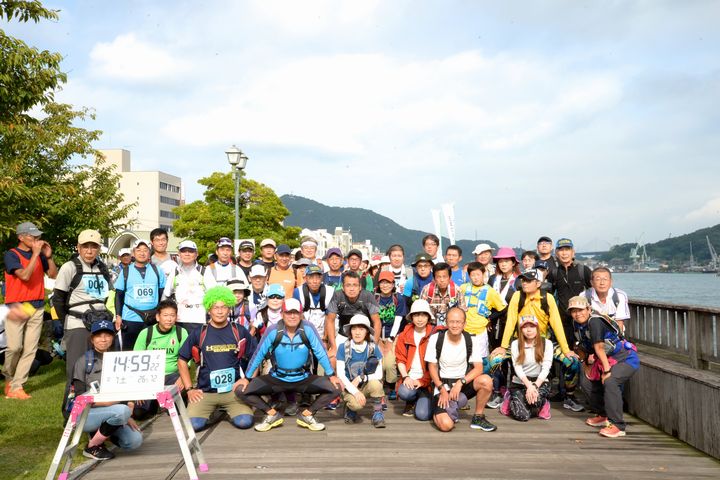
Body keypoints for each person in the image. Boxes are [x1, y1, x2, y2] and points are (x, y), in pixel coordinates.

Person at [235, 298, 343, 432]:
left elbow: (320, 352)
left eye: (296, 313)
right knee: (240, 389)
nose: (292, 316)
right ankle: (271, 414)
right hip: (277, 378)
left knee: (336, 387)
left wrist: (331, 375)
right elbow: (258, 354)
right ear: (282, 314)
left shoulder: (308, 328)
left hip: (302, 378)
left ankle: (308, 415)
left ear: (301, 314)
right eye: (288, 313)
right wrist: (247, 378)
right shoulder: (273, 330)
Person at [491, 269, 582, 412]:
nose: (524, 283)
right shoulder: (517, 296)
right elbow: (510, 321)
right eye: (523, 280)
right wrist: (503, 346)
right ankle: (498, 393)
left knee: (573, 362)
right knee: (494, 360)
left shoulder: (548, 298)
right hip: (519, 341)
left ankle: (569, 396)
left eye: (528, 281)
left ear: (538, 283)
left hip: (543, 342)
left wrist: (566, 350)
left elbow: (556, 324)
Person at [177, 286, 257, 432]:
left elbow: (255, 356)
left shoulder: (238, 330)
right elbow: (182, 359)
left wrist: (247, 379)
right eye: (215, 307)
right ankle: (212, 411)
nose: (220, 311)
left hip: (233, 391)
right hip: (205, 392)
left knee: (245, 422)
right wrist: (189, 389)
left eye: (224, 307)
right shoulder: (199, 332)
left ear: (229, 309)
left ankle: (229, 411)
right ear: (209, 310)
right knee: (193, 426)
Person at [53, 229, 113, 398]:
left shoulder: (103, 268)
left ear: (99, 249)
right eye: (85, 246)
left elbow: (108, 295)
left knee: (102, 368)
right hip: (77, 324)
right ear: (78, 247)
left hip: (100, 324)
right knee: (76, 370)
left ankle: (100, 412)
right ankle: (71, 414)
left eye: (93, 247)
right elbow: (58, 299)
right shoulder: (69, 267)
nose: (89, 251)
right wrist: (66, 322)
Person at [568, 295, 639, 438]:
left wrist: (607, 371)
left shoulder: (594, 321)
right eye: (574, 311)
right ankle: (602, 414)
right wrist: (585, 364)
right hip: (604, 359)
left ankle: (618, 425)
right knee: (586, 381)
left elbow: (599, 347)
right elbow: (580, 346)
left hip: (625, 357)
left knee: (611, 381)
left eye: (581, 310)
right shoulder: (577, 324)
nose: (578, 314)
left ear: (588, 309)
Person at [72, 319, 143, 460]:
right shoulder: (83, 361)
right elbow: (79, 397)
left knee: (134, 441)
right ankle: (92, 446)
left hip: (113, 411)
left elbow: (126, 388)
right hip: (87, 414)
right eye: (99, 335)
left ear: (113, 337)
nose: (103, 339)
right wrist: (108, 405)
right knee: (121, 411)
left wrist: (127, 412)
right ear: (92, 339)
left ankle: (104, 433)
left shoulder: (119, 360)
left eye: (108, 335)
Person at [3, 221, 58, 399]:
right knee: (14, 347)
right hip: (18, 305)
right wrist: (36, 254)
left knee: (30, 348)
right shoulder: (11, 255)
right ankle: (10, 377)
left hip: (37, 305)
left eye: (37, 236)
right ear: (21, 237)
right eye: (32, 236)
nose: (36, 239)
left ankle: (18, 386)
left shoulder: (40, 255)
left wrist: (48, 257)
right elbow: (25, 276)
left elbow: (52, 275)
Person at [425, 307, 496, 432]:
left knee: (486, 380)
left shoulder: (471, 340)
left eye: (458, 322)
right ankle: (439, 409)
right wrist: (442, 390)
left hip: (462, 383)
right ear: (446, 323)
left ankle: (478, 417)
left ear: (464, 324)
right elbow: (432, 367)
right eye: (451, 321)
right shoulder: (436, 339)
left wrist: (460, 382)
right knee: (446, 426)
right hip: (442, 384)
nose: (455, 325)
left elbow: (479, 368)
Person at [114, 239, 166, 350]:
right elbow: (119, 295)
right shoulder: (125, 271)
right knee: (129, 351)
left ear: (149, 253)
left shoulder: (157, 270)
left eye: (145, 250)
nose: (142, 253)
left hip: (151, 318)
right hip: (131, 318)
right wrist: (118, 315)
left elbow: (162, 294)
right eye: (138, 250)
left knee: (152, 350)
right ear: (133, 253)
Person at [337, 315, 386, 428]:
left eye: (361, 329)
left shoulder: (373, 347)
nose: (357, 332)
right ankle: (350, 408)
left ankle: (378, 412)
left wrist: (360, 378)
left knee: (376, 384)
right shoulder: (343, 347)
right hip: (349, 386)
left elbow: (379, 374)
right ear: (350, 331)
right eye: (354, 329)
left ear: (367, 332)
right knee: (356, 405)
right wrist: (355, 392)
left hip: (365, 384)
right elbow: (340, 374)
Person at [545, 238, 592, 351]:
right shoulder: (554, 273)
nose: (564, 253)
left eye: (567, 249)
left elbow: (593, 293)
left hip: (581, 319)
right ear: (556, 253)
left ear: (573, 252)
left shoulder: (583, 270)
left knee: (584, 350)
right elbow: (547, 296)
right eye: (561, 250)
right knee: (565, 352)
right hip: (562, 320)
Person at [324, 271, 382, 362]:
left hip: (364, 335)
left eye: (355, 285)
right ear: (343, 287)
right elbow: (330, 320)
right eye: (348, 285)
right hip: (343, 334)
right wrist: (333, 347)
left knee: (374, 360)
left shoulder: (367, 296)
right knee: (330, 360)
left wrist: (374, 345)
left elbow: (377, 322)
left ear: (360, 287)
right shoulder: (337, 295)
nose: (352, 289)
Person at [506, 315, 553, 421]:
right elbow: (517, 367)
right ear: (520, 330)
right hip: (521, 382)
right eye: (524, 327)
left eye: (532, 326)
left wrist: (534, 386)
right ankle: (510, 399)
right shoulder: (515, 344)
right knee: (522, 416)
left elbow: (546, 367)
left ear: (537, 327)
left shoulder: (547, 343)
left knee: (534, 401)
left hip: (539, 381)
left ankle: (543, 403)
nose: (528, 330)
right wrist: (529, 386)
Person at [395, 300, 435, 421]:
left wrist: (423, 381)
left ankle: (424, 398)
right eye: (416, 315)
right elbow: (400, 359)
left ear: (428, 317)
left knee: (423, 415)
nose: (420, 319)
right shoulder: (403, 335)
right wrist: (406, 376)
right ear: (411, 317)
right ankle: (411, 401)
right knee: (404, 392)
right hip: (410, 378)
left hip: (428, 380)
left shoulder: (435, 334)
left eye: (423, 315)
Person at [458, 262, 506, 355]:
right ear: (469, 276)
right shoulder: (463, 288)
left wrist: (490, 317)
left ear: (483, 274)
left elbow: (503, 308)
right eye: (472, 275)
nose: (475, 278)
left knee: (480, 359)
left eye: (478, 274)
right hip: (463, 331)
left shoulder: (490, 291)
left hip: (480, 332)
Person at [162, 240, 206, 337]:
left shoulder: (204, 271)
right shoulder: (175, 272)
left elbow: (213, 295)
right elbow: (166, 295)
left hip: (199, 318)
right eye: (183, 251)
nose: (187, 254)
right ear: (179, 254)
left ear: (196, 254)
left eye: (190, 251)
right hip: (179, 319)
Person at [487, 247, 520, 350]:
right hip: (493, 324)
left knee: (512, 355)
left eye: (506, 261)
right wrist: (487, 319)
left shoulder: (519, 280)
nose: (503, 264)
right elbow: (487, 300)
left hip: (512, 324)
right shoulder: (493, 279)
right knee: (495, 355)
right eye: (500, 261)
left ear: (513, 263)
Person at [583, 267, 630, 332]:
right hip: (592, 332)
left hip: (613, 332)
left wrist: (619, 338)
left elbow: (619, 321)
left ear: (611, 282)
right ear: (592, 283)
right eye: (598, 279)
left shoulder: (619, 296)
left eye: (605, 279)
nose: (602, 283)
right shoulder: (584, 296)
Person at [419, 262, 465, 327]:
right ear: (434, 278)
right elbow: (420, 311)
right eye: (438, 277)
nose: (442, 280)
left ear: (450, 277)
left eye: (444, 276)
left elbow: (462, 313)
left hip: (451, 327)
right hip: (430, 326)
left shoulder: (457, 291)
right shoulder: (427, 290)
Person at [294, 264, 333, 340]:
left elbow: (330, 317)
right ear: (305, 278)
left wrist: (325, 339)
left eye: (318, 277)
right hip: (305, 330)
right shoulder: (298, 292)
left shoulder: (330, 291)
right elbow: (299, 315)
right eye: (311, 277)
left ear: (321, 278)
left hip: (324, 329)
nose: (315, 281)